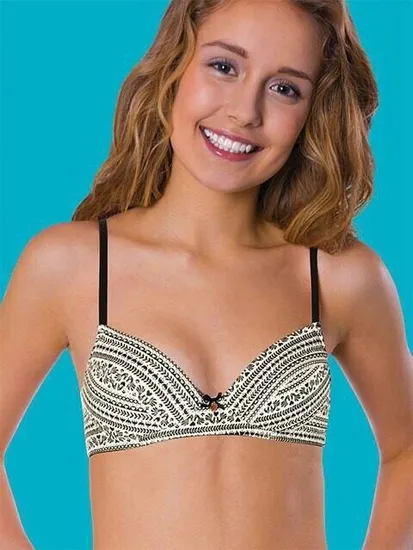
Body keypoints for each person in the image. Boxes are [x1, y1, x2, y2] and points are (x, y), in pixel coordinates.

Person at [1, 0, 412, 548]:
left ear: (314, 111)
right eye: (224, 66)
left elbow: (407, 448)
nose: (244, 111)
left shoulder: (338, 276)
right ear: (174, 66)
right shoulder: (71, 265)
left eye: (284, 88)